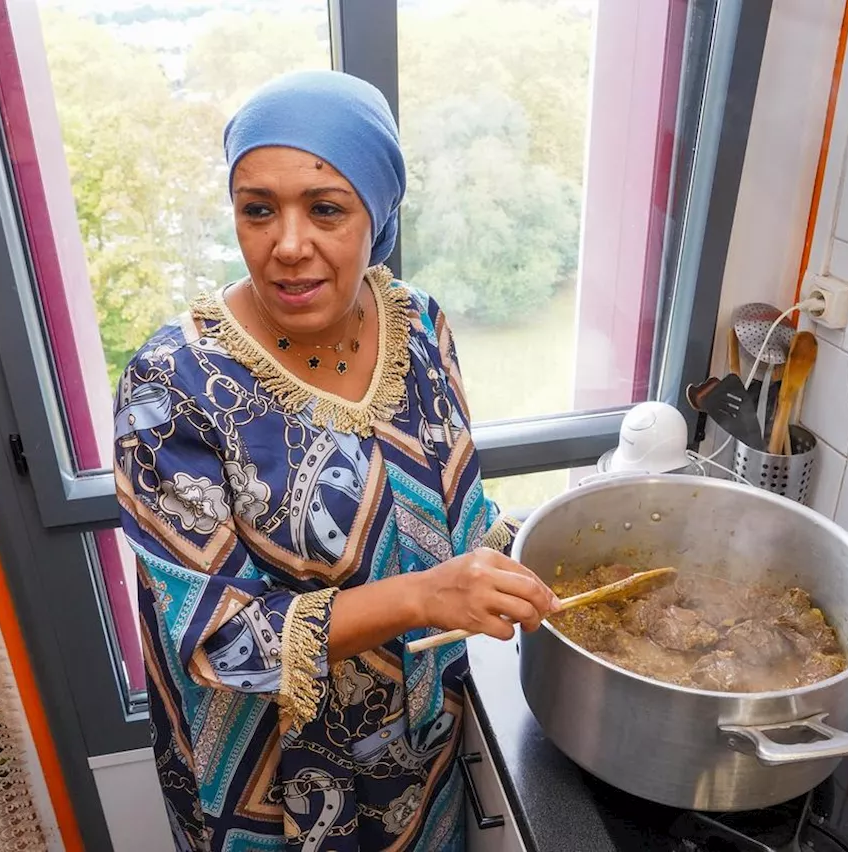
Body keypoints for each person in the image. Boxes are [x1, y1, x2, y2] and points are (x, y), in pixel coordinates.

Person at [114, 69, 558, 852]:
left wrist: (528, 553)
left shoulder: (420, 326)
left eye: (325, 208)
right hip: (274, 783)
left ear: (377, 215)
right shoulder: (172, 385)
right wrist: (424, 597)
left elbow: (461, 513)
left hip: (420, 749)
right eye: (258, 210)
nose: (288, 246)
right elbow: (220, 640)